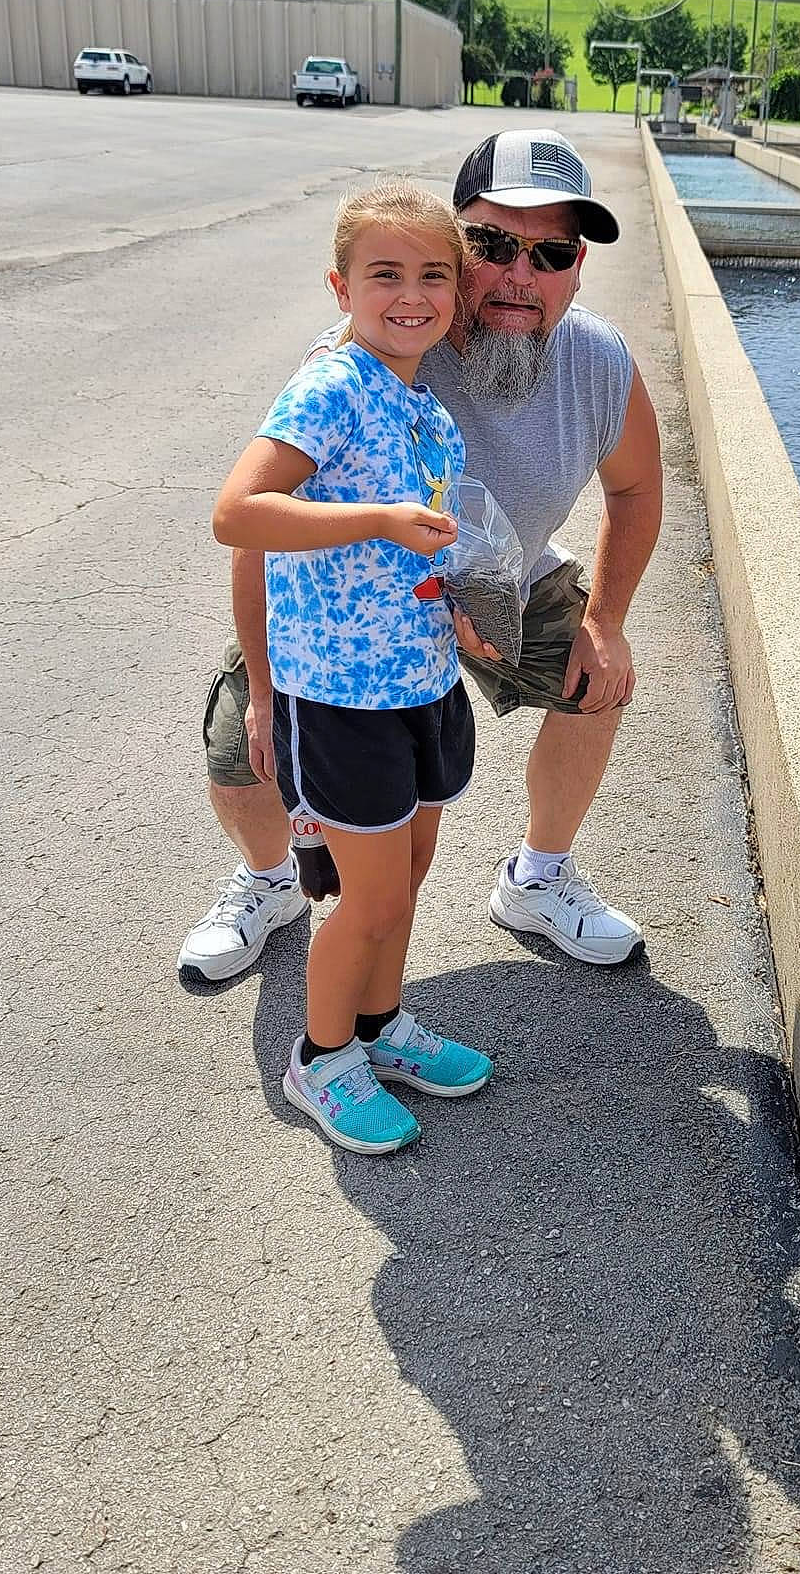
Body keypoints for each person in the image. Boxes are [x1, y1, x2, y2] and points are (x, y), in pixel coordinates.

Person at [179, 129, 663, 982]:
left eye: (550, 252)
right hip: (349, 593)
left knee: (600, 680)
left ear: (577, 267)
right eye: (491, 244)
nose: (521, 274)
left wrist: (606, 620)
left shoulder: (599, 360)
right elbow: (260, 524)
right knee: (239, 745)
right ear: (450, 244)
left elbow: (636, 491)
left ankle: (537, 879)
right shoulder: (368, 354)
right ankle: (272, 880)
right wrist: (263, 687)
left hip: (496, 573)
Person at [211, 179, 495, 1154]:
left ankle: (380, 1028)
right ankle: (321, 1056)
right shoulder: (332, 384)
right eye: (385, 273)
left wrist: (461, 613)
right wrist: (373, 518)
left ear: (455, 295)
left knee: (406, 876)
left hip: (420, 679)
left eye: (432, 275)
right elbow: (238, 511)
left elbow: (416, 548)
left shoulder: (427, 408)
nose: (410, 294)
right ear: (342, 285)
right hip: (341, 694)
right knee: (368, 897)